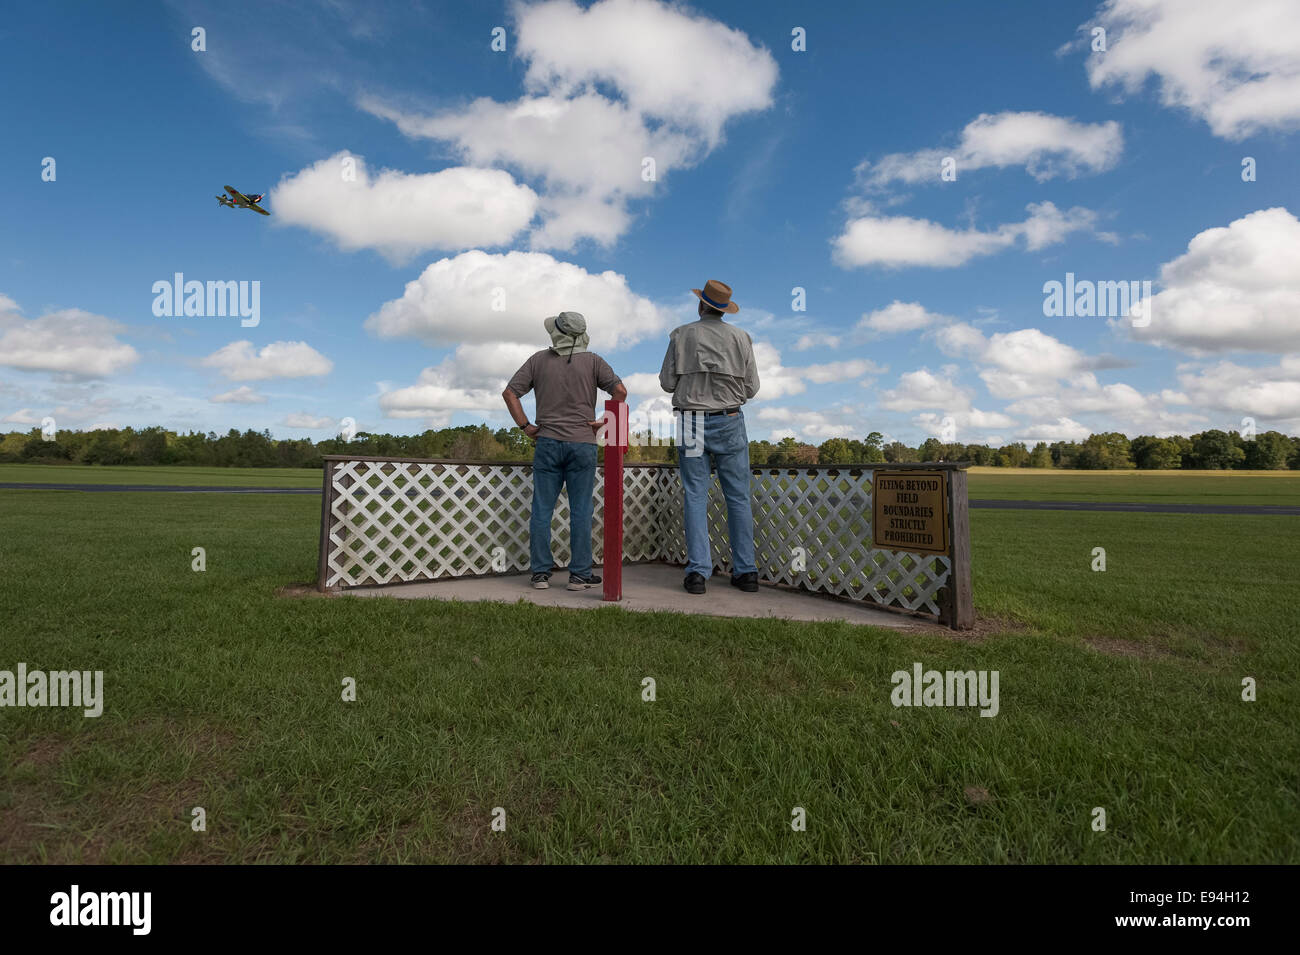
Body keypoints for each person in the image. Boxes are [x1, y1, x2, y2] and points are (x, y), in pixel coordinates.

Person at [504, 311, 626, 591]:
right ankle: (580, 574)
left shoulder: (538, 360)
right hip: (582, 442)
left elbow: (510, 393)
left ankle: (540, 574)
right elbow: (620, 392)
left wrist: (525, 426)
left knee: (542, 509)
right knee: (581, 509)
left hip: (547, 441)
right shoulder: (594, 361)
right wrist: (604, 423)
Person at [658, 279, 760, 595]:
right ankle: (746, 572)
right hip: (729, 419)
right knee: (738, 497)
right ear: (723, 309)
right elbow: (751, 388)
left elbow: (666, 383)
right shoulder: (741, 338)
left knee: (695, 495)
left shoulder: (681, 334)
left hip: (691, 421)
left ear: (701, 304)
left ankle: (698, 573)